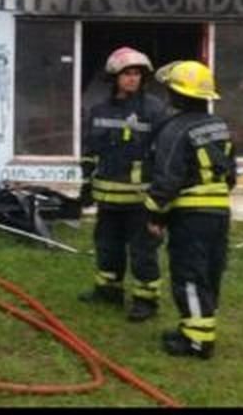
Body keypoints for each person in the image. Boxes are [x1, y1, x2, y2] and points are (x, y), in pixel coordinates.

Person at [146, 60, 236, 360]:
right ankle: (193, 328)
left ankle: (198, 341)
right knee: (210, 271)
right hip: (220, 211)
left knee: (188, 273)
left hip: (191, 215)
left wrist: (156, 214)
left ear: (177, 95)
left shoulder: (174, 129)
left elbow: (167, 178)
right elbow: (231, 173)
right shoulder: (219, 126)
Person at [78, 47, 169, 322]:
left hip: (141, 201)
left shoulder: (155, 110)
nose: (132, 79)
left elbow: (164, 154)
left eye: (137, 74)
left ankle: (146, 299)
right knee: (107, 246)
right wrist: (86, 184)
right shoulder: (98, 110)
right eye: (127, 74)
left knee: (143, 252)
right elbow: (91, 150)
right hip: (108, 199)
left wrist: (160, 198)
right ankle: (108, 290)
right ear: (113, 78)